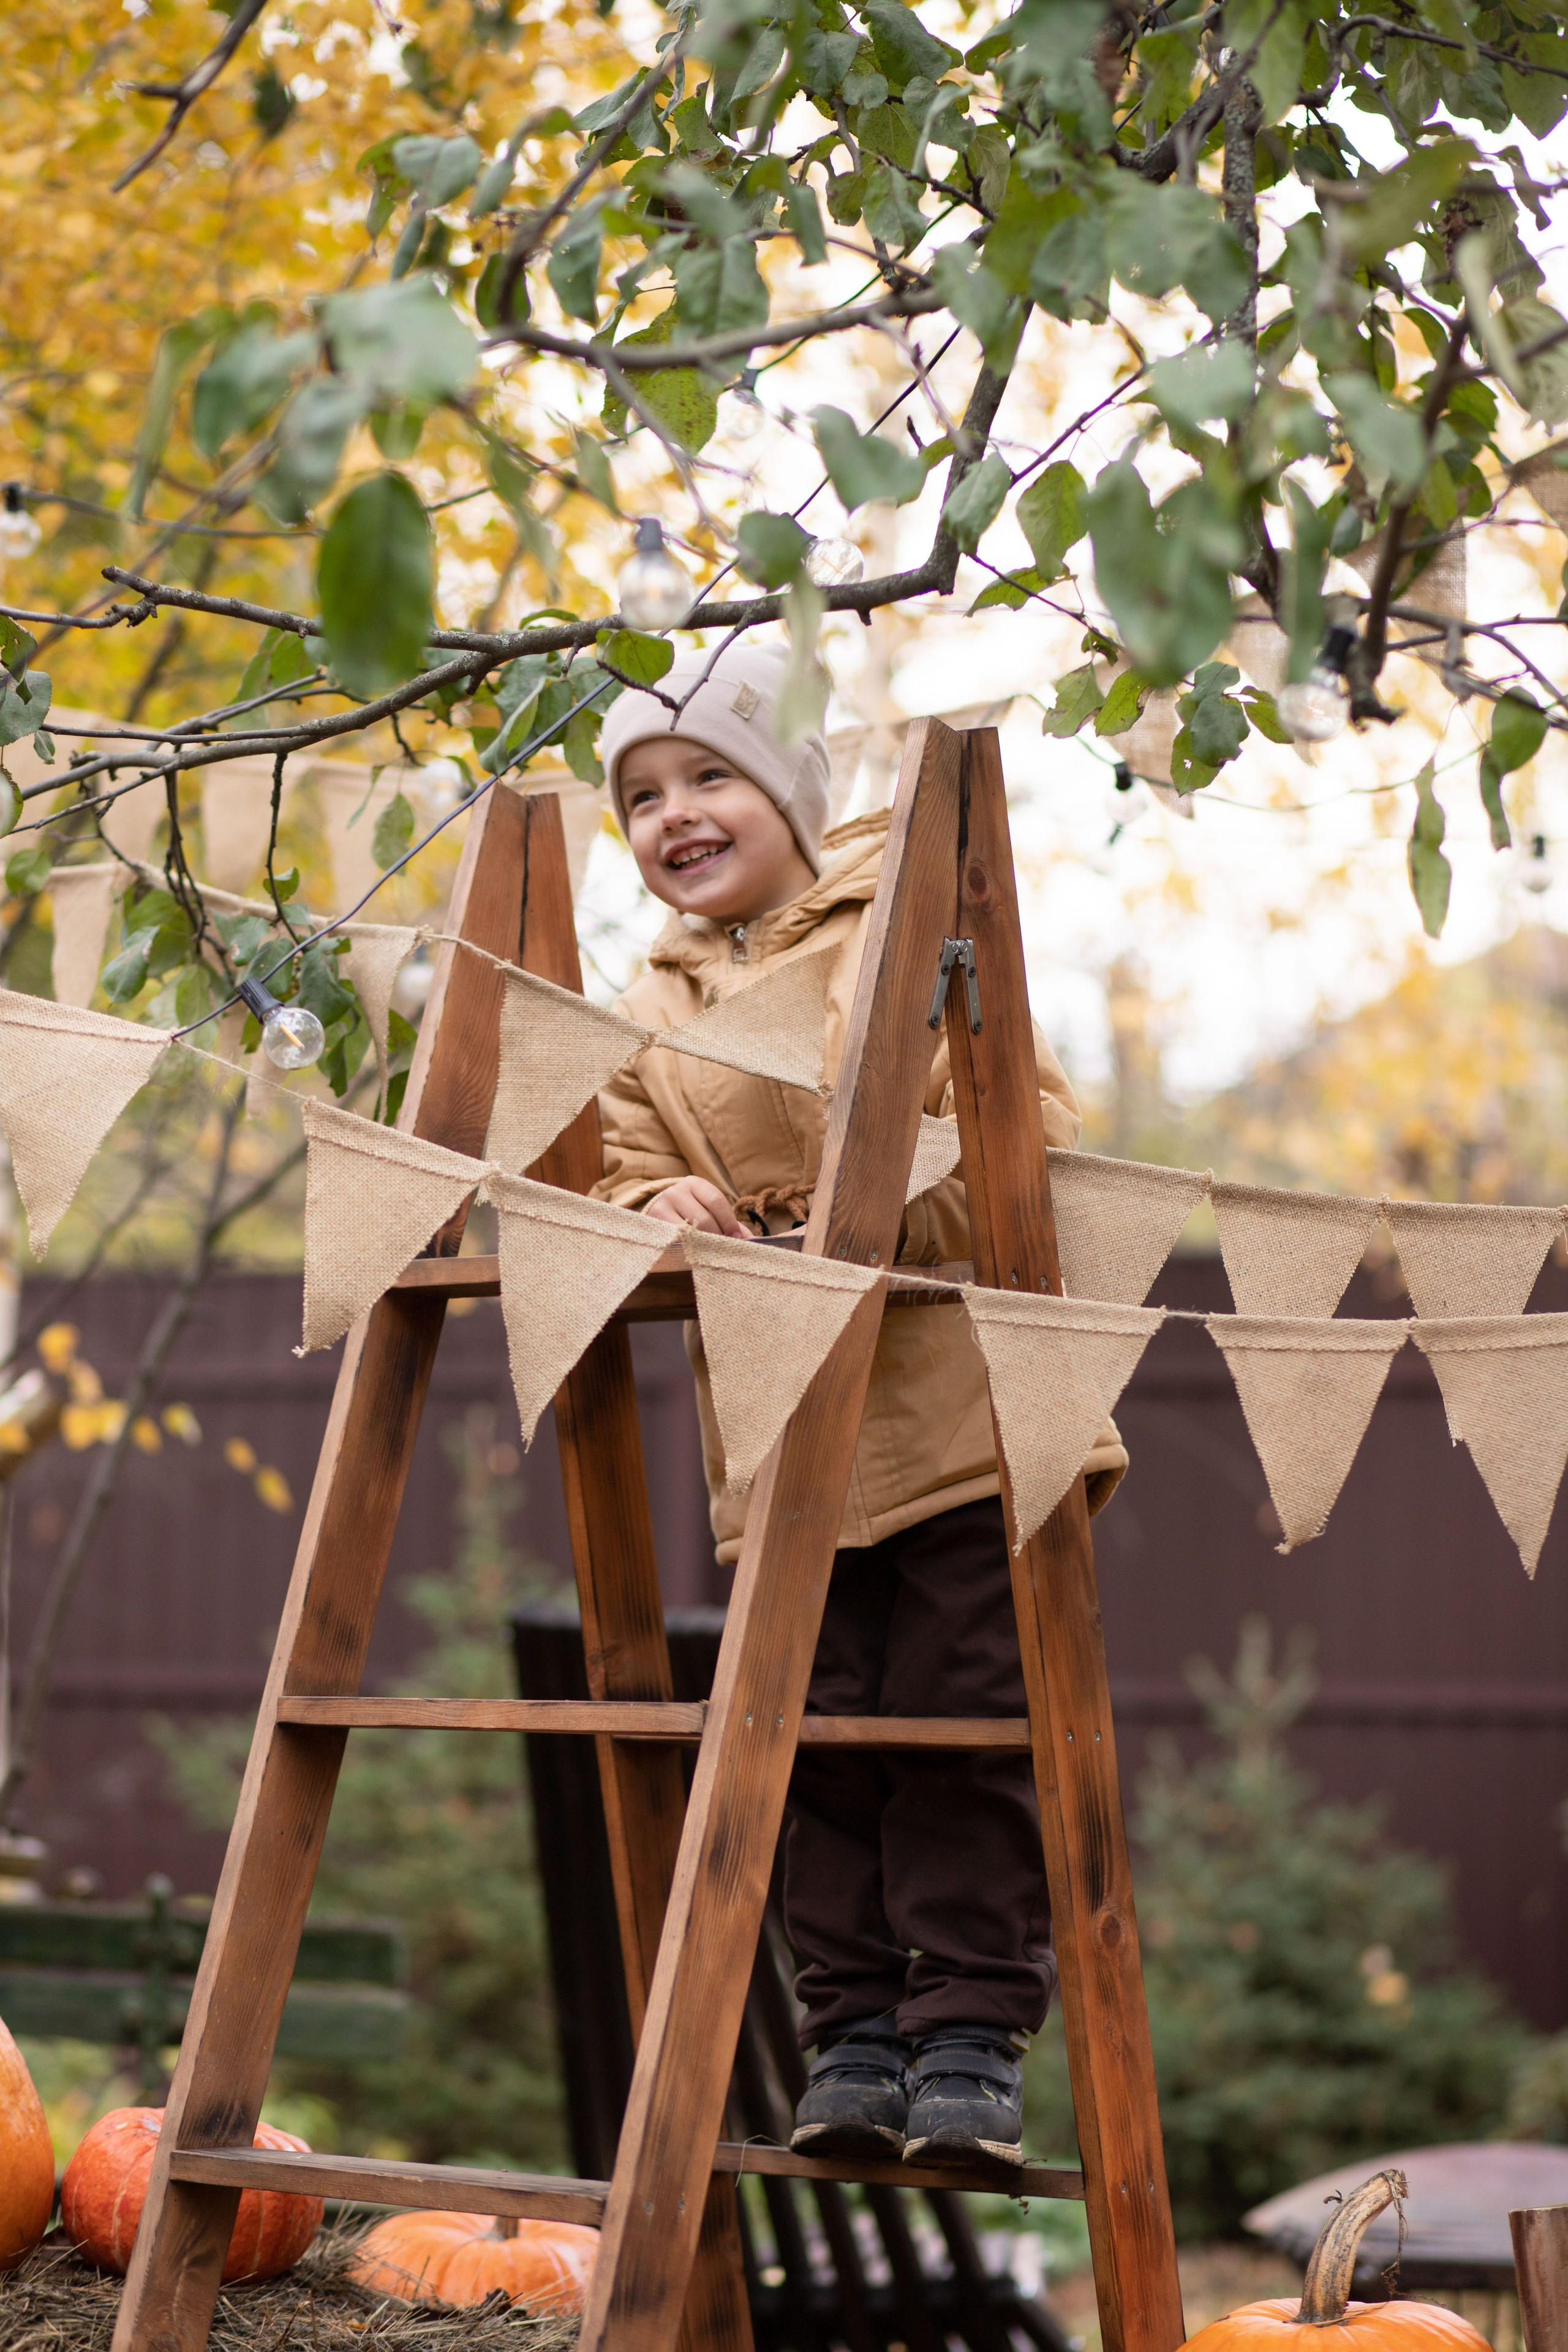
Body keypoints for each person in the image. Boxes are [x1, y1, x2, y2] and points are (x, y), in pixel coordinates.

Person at [591, 640, 1127, 2169]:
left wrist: (884, 1178)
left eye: (709, 778)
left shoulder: (900, 933)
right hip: (785, 1440)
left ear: (789, 794)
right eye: (641, 796)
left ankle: (965, 2030)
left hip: (951, 1420)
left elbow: (1035, 1132)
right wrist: (661, 1201)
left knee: (957, 1724)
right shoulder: (644, 1008)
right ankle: (850, 2037)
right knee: (808, 1738)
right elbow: (618, 1169)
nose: (675, 813)